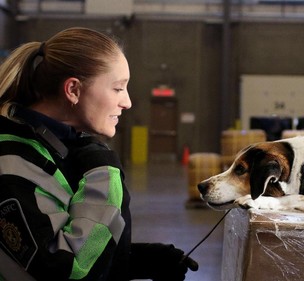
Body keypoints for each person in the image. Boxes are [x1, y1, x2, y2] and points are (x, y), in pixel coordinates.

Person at [0, 27, 198, 281]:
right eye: (118, 89)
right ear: (73, 90)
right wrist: (104, 176)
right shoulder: (13, 162)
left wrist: (134, 260)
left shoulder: (57, 147)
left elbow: (55, 240)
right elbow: (69, 271)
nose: (127, 102)